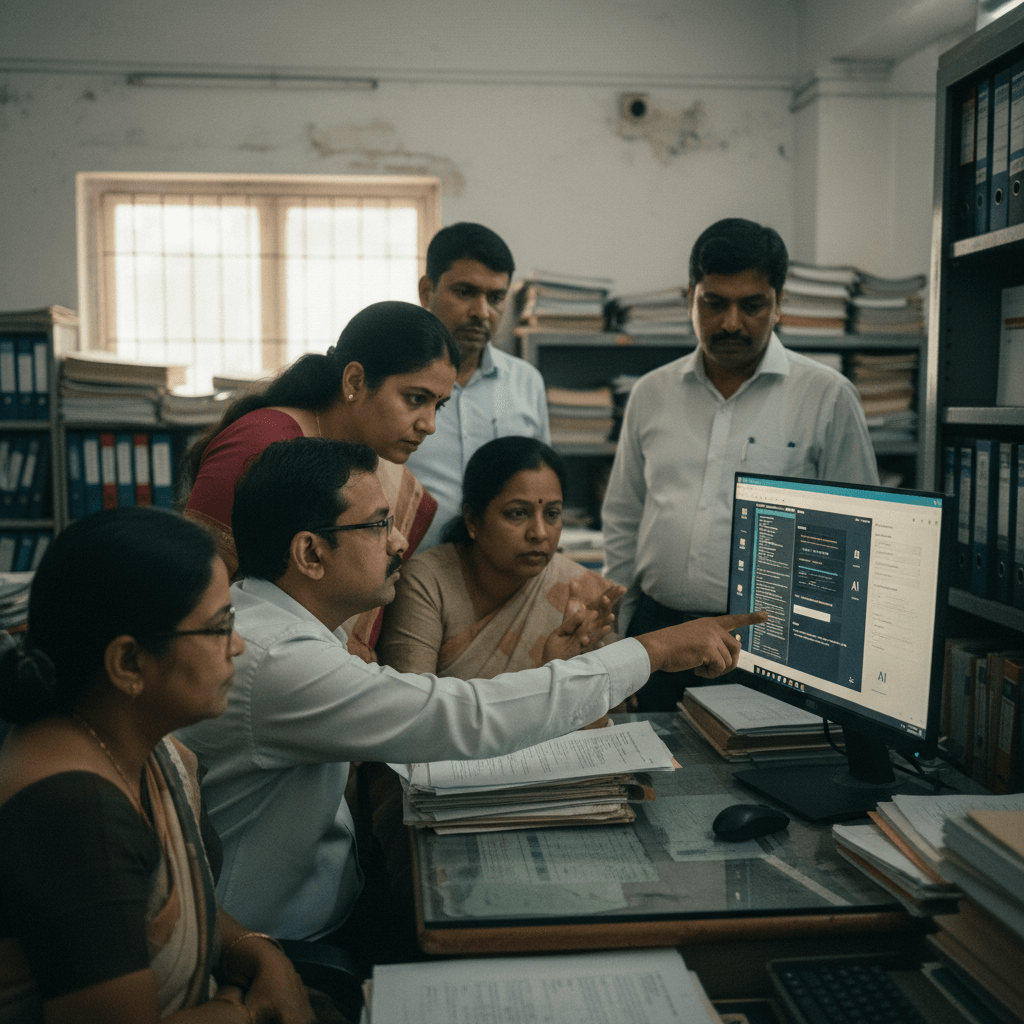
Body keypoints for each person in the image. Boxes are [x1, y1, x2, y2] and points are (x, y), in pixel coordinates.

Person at [176, 436, 764, 951]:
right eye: (379, 524)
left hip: (325, 902)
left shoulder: (287, 624)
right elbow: (460, 715)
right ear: (309, 552)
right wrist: (654, 651)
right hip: (280, 944)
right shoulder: (279, 658)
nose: (400, 542)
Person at [0, 506, 319, 1024]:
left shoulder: (141, 744)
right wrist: (240, 1012)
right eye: (219, 627)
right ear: (128, 662)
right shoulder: (74, 814)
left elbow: (149, 909)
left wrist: (260, 954)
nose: (237, 646)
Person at [601, 217, 879, 711]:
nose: (731, 322)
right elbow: (624, 517)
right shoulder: (651, 394)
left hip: (768, 643)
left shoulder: (826, 396)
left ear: (779, 303)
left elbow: (858, 537)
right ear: (691, 296)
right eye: (714, 302)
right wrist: (617, 642)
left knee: (759, 782)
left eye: (752, 305)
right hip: (657, 635)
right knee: (647, 775)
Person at [184, 299, 460, 661]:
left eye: (437, 405)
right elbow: (194, 594)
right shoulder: (259, 445)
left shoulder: (368, 462)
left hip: (321, 664)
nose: (429, 424)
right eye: (414, 398)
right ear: (355, 381)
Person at [378, 436, 625, 697]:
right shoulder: (427, 582)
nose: (539, 533)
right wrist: (549, 679)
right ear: (473, 520)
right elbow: (411, 707)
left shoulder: (586, 592)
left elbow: (610, 712)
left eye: (552, 514)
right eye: (518, 513)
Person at [405, 222, 550, 550]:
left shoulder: (526, 382)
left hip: (504, 579)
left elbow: (541, 487)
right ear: (427, 291)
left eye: (496, 297)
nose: (482, 312)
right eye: (465, 292)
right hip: (407, 578)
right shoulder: (394, 382)